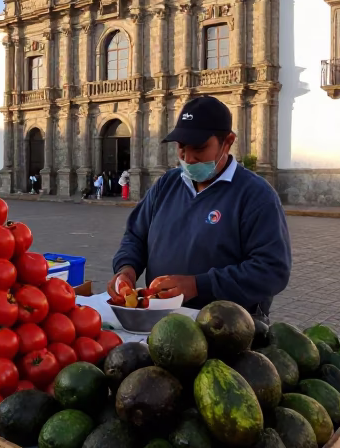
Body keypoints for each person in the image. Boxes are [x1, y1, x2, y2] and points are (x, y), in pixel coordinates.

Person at [109, 96, 291, 320]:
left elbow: (272, 270)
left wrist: (198, 285)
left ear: (228, 142)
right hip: (163, 323)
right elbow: (135, 236)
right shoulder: (167, 184)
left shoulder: (256, 195)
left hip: (228, 329)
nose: (188, 158)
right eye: (181, 148)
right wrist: (126, 269)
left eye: (199, 148)